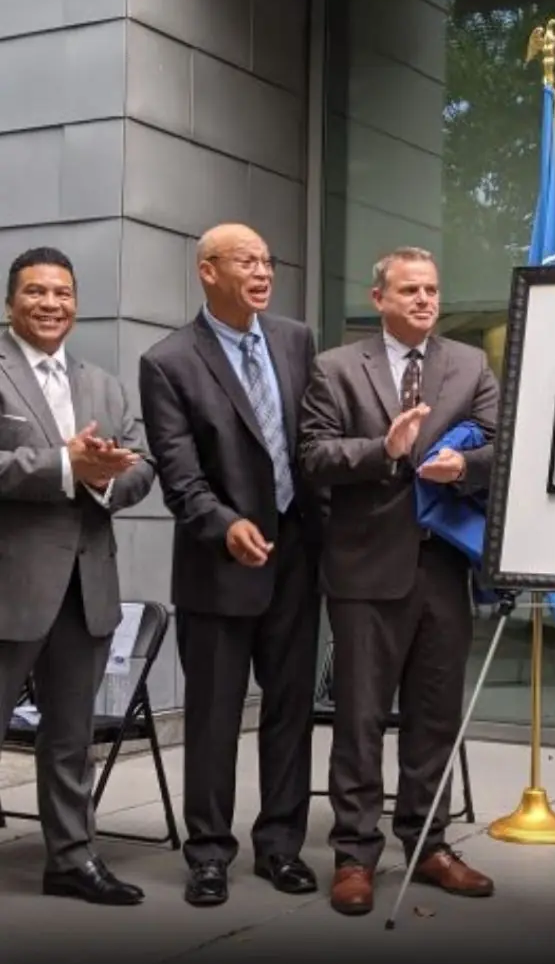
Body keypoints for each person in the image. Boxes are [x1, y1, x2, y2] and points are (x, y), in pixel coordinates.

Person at [297, 246, 498, 916]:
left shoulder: (468, 365)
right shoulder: (333, 368)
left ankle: (429, 842)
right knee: (358, 720)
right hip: (363, 571)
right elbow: (314, 455)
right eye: (409, 289)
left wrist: (463, 469)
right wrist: (381, 452)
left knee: (434, 717)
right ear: (377, 296)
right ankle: (354, 853)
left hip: (442, 568)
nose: (423, 299)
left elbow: (503, 447)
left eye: (432, 289)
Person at [138, 224, 323, 907]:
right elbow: (180, 477)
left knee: (289, 711)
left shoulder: (297, 340)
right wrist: (225, 525)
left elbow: (312, 442)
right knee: (214, 718)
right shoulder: (169, 361)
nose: (262, 270)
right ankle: (210, 854)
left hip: (297, 561)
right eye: (246, 259)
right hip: (219, 567)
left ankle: (281, 845)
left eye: (268, 259)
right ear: (207, 271)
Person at [0, 246, 155, 903]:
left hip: (86, 585)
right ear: (10, 303)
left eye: (62, 293)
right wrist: (65, 467)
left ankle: (70, 859)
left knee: (70, 737)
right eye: (35, 292)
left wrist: (106, 476)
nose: (51, 304)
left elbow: (143, 465)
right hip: (11, 583)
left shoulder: (104, 384)